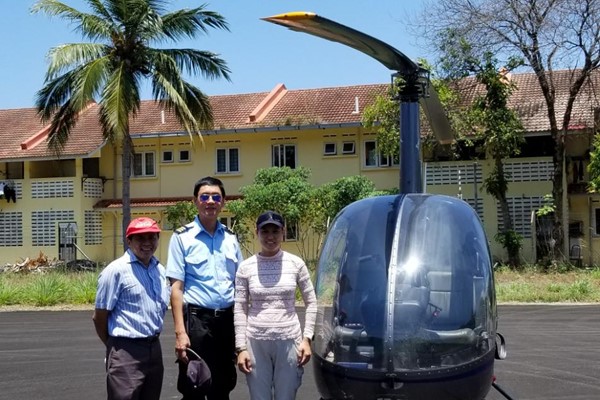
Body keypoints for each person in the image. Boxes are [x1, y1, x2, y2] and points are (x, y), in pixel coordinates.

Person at [166, 176, 243, 400]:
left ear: (223, 202)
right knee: (194, 385)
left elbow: (240, 285)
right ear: (195, 201)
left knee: (223, 385)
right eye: (205, 196)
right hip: (197, 321)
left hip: (227, 320)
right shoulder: (182, 238)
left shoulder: (230, 238)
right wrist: (180, 333)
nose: (210, 201)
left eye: (216, 197)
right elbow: (176, 289)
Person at [234, 211, 317, 400]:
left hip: (289, 340)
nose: (270, 237)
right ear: (257, 232)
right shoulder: (245, 267)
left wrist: (307, 339)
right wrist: (241, 348)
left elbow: (311, 302)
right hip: (256, 342)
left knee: (286, 396)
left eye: (275, 231)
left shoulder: (296, 264)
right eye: (265, 231)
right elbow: (240, 308)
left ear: (283, 232)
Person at [92, 217, 169, 400]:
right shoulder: (116, 271)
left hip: (153, 348)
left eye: (152, 237)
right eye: (140, 238)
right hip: (126, 350)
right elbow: (99, 316)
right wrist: (114, 347)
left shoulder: (159, 270)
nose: (147, 243)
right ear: (129, 241)